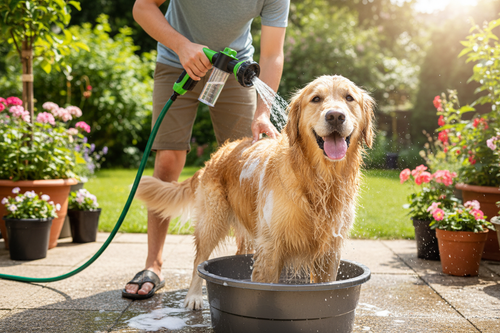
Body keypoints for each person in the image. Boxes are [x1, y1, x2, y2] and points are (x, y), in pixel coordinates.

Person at [123, 0, 290, 299]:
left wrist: (263, 112)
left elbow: (272, 53)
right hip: (177, 59)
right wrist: (182, 45)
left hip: (233, 67)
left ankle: (246, 261)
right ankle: (154, 264)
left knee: (245, 169)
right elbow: (142, 7)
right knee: (169, 158)